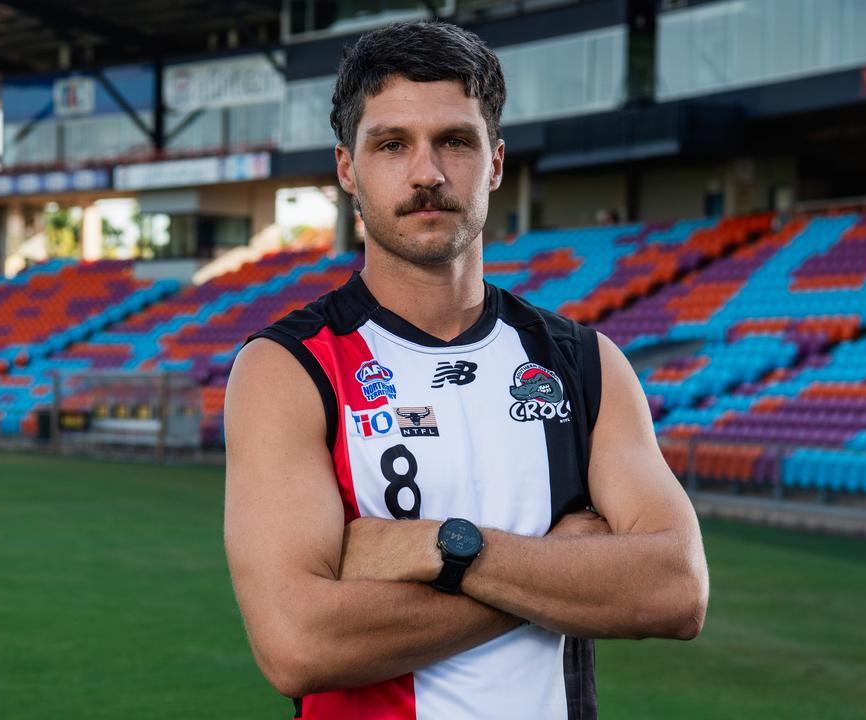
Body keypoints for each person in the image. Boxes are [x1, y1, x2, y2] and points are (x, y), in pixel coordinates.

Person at [224, 20, 708, 719]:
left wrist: (443, 548)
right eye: (392, 145)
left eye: (455, 141)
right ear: (347, 169)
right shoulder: (287, 369)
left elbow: (676, 588)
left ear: (495, 163)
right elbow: (297, 645)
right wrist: (561, 572)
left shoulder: (582, 362)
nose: (427, 173)